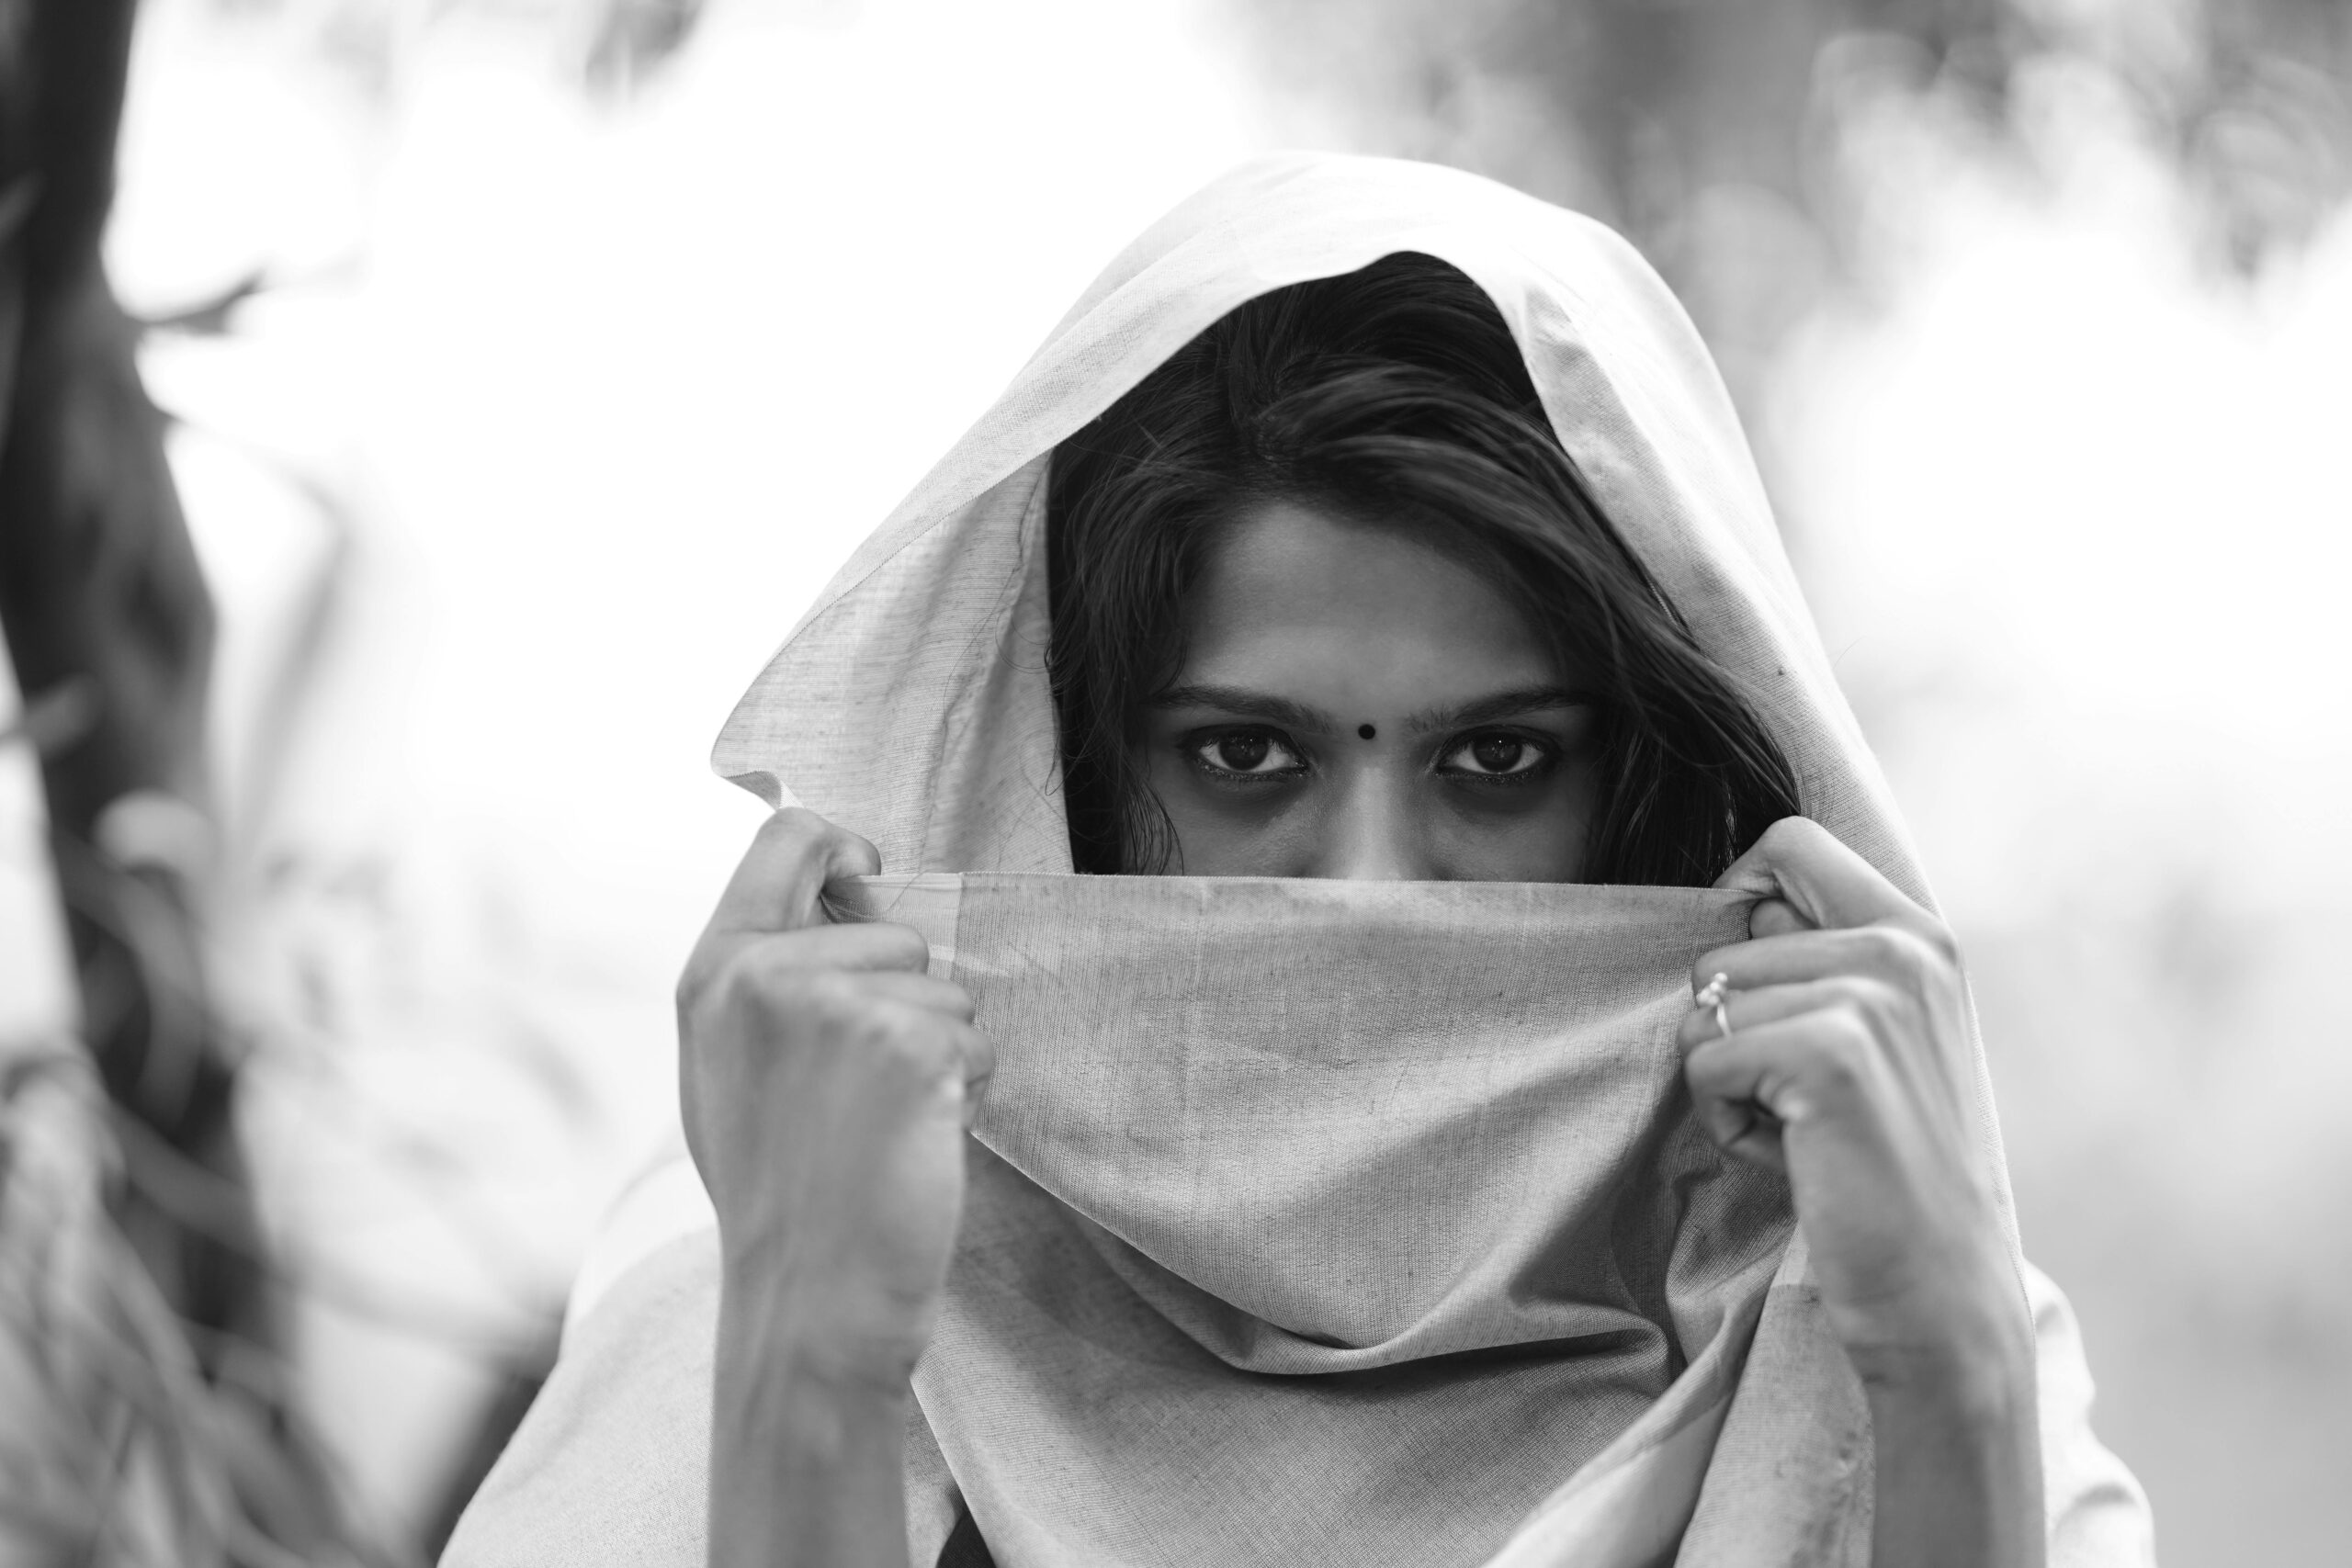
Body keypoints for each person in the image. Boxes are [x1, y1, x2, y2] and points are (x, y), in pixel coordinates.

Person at [443, 154, 2154, 1568]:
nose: (1369, 886)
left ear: (1648, 792)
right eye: (1244, 757)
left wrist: (1950, 1384)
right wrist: (809, 1370)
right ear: (1074, 783)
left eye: (1498, 760)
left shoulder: (1872, 1316)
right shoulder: (781, 1266)